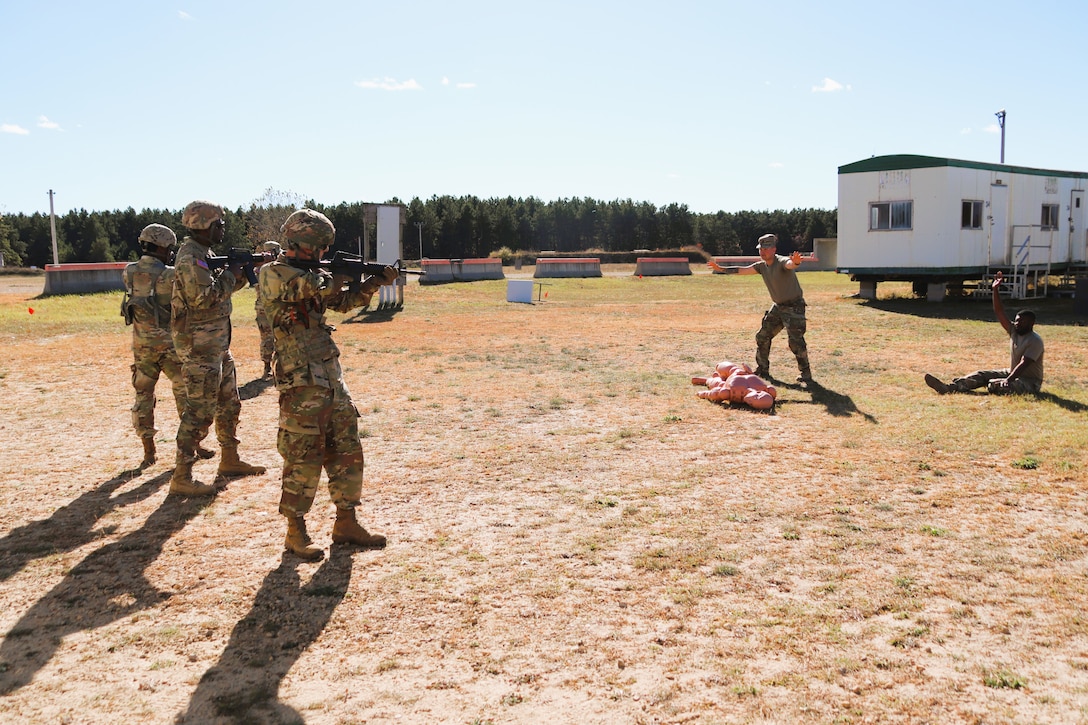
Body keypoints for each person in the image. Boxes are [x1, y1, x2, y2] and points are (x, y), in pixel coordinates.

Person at [258, 208, 398, 560]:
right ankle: (295, 531)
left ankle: (346, 522)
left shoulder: (317, 273)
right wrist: (339, 273)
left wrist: (373, 282)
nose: (322, 254)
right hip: (299, 377)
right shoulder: (274, 273)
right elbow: (313, 288)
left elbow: (341, 301)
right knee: (302, 453)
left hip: (328, 373)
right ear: (303, 245)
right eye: (320, 248)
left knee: (346, 446)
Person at [170, 200, 266, 496]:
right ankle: (182, 476)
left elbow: (219, 293)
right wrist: (230, 273)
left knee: (229, 404)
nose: (223, 228)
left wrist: (240, 273)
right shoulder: (190, 258)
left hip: (216, 345)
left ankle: (230, 459)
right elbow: (202, 298)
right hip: (200, 348)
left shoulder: (205, 254)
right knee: (199, 412)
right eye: (219, 224)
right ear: (205, 225)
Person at [121, 224, 212, 468]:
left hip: (142, 348)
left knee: (143, 397)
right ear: (164, 248)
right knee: (185, 396)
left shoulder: (128, 272)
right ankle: (192, 445)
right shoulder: (170, 275)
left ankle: (149, 452)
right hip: (172, 347)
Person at [708, 233, 812, 383]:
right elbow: (742, 270)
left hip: (793, 307)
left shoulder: (781, 261)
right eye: (760, 249)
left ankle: (806, 373)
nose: (762, 251)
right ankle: (762, 369)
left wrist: (796, 263)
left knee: (795, 342)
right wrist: (720, 268)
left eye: (766, 248)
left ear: (774, 249)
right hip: (778, 306)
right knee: (762, 336)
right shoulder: (761, 266)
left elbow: (789, 264)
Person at [924, 271, 1044, 395]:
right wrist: (995, 289)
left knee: (995, 385)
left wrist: (1008, 380)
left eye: (1022, 322)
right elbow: (999, 311)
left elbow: (1024, 364)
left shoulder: (1035, 341)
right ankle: (950, 387)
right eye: (1017, 320)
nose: (1017, 323)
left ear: (1031, 324)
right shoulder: (1014, 330)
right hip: (1011, 372)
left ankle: (995, 385)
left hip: (1030, 381)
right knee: (982, 374)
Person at [255, 240, 282, 378]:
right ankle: (267, 366)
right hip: (264, 309)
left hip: (278, 307)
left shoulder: (281, 267)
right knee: (267, 338)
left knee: (282, 337)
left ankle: (279, 366)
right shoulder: (259, 269)